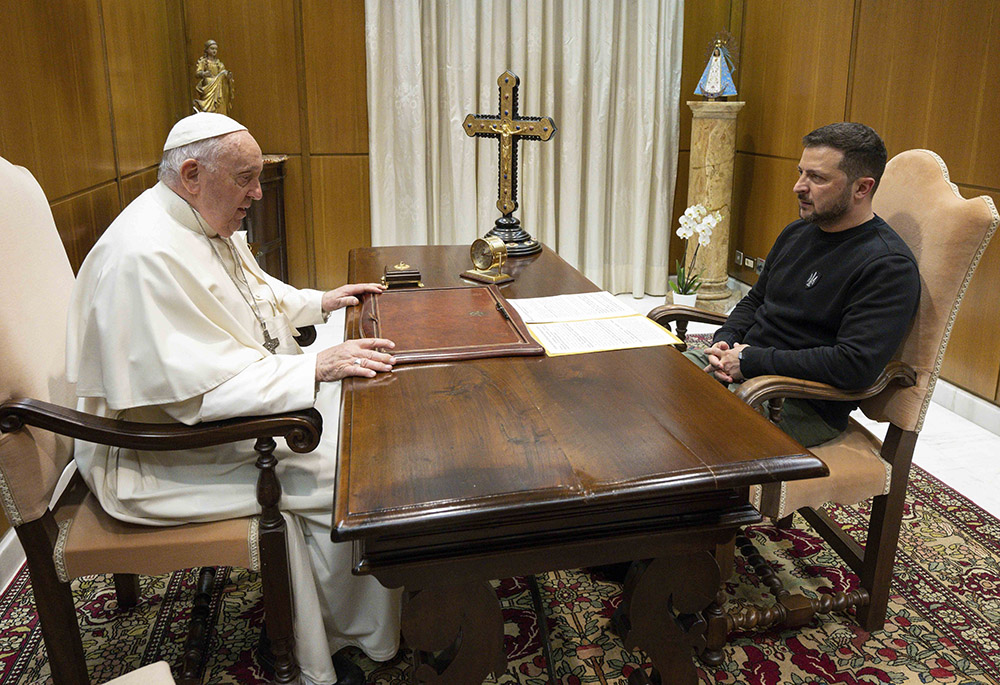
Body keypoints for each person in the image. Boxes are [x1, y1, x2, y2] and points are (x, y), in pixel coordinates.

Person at [66, 112, 398, 685]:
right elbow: (195, 396)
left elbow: (251, 291)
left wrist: (318, 302)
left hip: (205, 421)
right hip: (154, 456)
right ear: (192, 173)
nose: (256, 192)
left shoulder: (192, 221)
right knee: (355, 473)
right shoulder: (143, 256)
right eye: (245, 178)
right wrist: (312, 370)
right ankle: (340, 642)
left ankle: (358, 608)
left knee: (366, 415)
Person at [689, 122, 920, 447]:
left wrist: (751, 360)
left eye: (817, 178)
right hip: (747, 373)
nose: (799, 186)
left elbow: (854, 365)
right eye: (801, 172)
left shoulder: (888, 265)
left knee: (679, 429)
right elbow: (756, 301)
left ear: (862, 188)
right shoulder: (797, 232)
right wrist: (726, 342)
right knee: (646, 383)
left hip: (799, 402)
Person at [193, 40, 234, 114]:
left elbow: (222, 73)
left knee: (222, 82)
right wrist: (204, 74)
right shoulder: (203, 61)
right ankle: (207, 107)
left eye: (215, 49)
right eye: (212, 49)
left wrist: (227, 75)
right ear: (207, 50)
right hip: (209, 83)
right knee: (209, 80)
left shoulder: (218, 63)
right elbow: (197, 73)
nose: (214, 51)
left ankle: (220, 109)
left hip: (218, 83)